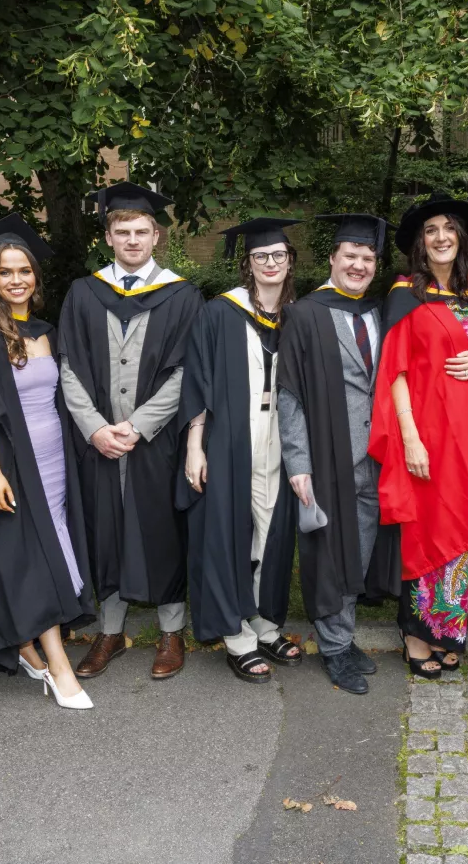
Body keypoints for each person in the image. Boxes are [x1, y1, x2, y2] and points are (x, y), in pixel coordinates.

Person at [59, 181, 204, 681]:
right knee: (106, 533)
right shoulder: (83, 292)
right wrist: (96, 429)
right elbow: (69, 368)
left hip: (156, 443)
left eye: (142, 231)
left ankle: (170, 632)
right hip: (97, 443)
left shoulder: (183, 296)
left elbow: (188, 372)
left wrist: (139, 427)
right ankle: (111, 630)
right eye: (123, 232)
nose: (133, 240)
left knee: (161, 532)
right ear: (108, 237)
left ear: (157, 235)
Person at [0, 214, 95, 710]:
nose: (17, 280)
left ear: (36, 277)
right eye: (5, 272)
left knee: (52, 548)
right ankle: (58, 667)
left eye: (24, 271)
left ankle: (26, 647)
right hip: (14, 464)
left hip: (54, 461)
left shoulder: (45, 330)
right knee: (33, 560)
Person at [369, 192, 468, 677]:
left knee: (460, 526)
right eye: (430, 231)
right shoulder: (406, 295)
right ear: (420, 245)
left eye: (448, 229)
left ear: (461, 238)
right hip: (426, 427)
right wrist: (410, 438)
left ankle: (449, 629)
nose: (441, 237)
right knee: (425, 527)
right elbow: (395, 371)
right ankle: (415, 631)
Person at [277, 214, 399, 694]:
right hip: (328, 456)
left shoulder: (381, 312)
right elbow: (290, 395)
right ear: (332, 258)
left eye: (368, 258)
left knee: (360, 551)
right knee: (329, 554)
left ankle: (343, 639)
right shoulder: (305, 314)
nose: (359, 265)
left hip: (377, 458)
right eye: (350, 256)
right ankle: (333, 648)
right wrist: (298, 463)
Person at [178, 218, 301, 684]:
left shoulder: (297, 316)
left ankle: (265, 622)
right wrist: (195, 447)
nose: (270, 263)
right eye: (260, 256)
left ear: (290, 261)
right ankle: (236, 635)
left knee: (271, 534)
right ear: (247, 263)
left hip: (279, 439)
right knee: (228, 534)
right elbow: (197, 381)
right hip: (229, 439)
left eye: (278, 255)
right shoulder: (219, 313)